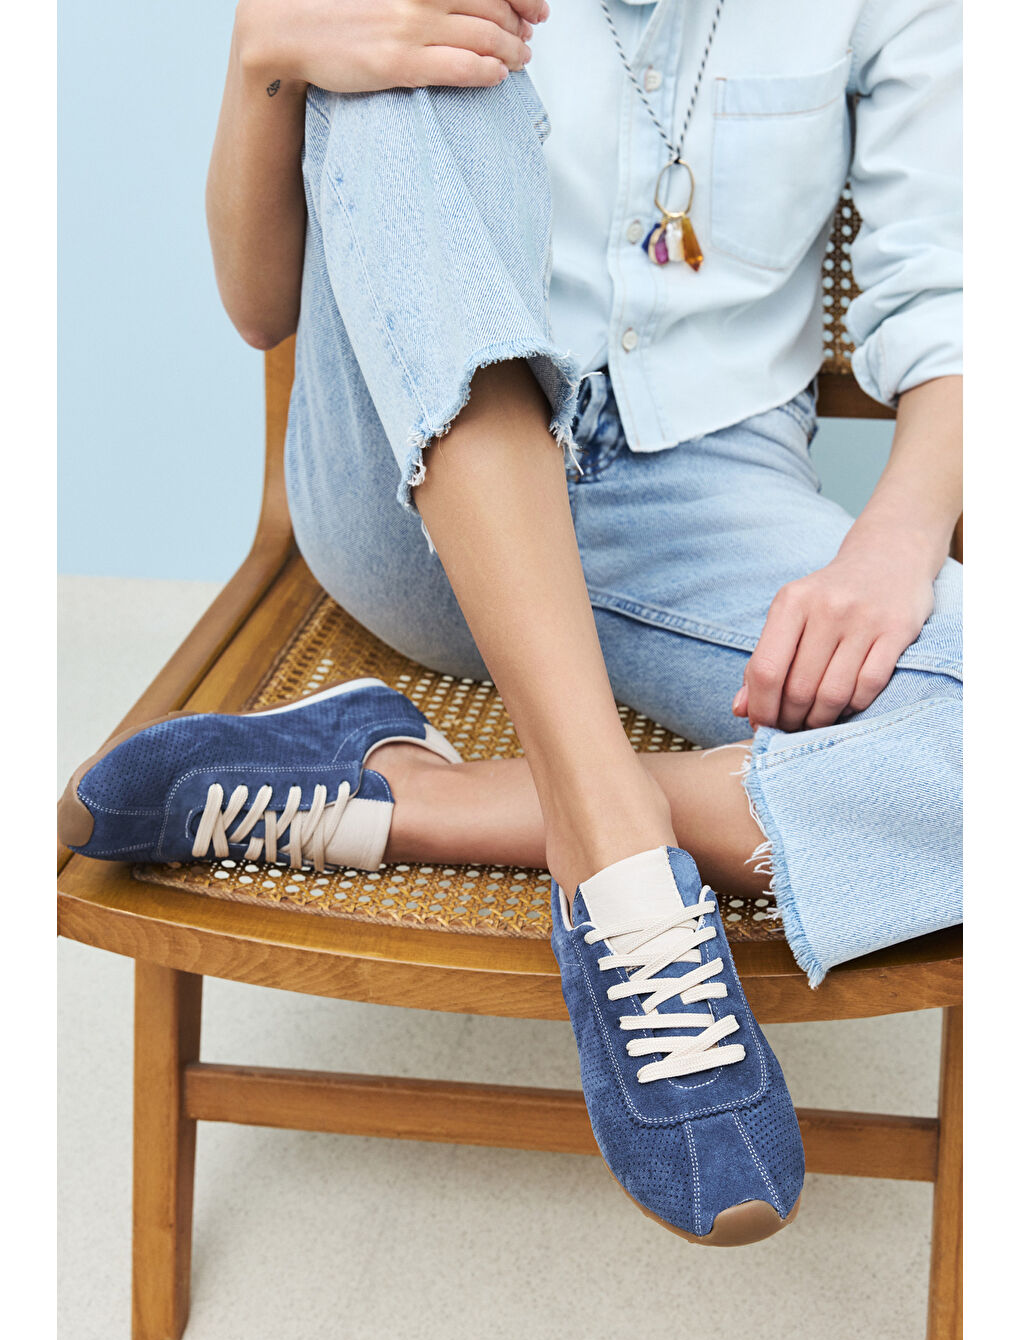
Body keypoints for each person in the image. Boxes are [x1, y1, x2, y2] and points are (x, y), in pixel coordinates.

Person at [58, 0, 962, 1247]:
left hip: (709, 501)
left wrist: (895, 542)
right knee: (426, 56)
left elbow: (957, 296)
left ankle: (416, 795)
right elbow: (261, 308)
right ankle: (622, 864)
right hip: (415, 482)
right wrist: (264, 47)